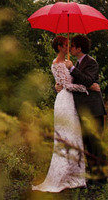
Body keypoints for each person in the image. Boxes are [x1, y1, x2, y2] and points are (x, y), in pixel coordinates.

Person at [31, 36, 90, 192]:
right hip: (65, 100)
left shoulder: (67, 63)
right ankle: (61, 176)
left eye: (68, 44)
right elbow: (67, 85)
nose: (67, 47)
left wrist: (71, 68)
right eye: (64, 45)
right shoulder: (56, 64)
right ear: (58, 47)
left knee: (74, 136)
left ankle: (76, 176)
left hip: (71, 101)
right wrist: (85, 88)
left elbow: (68, 80)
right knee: (66, 136)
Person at [60, 34, 107, 185]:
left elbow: (88, 80)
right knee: (87, 144)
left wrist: (72, 68)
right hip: (83, 111)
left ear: (79, 48)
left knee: (96, 145)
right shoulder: (78, 64)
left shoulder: (91, 62)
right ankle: (93, 177)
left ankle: (101, 179)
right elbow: (81, 85)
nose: (70, 49)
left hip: (94, 110)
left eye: (72, 46)